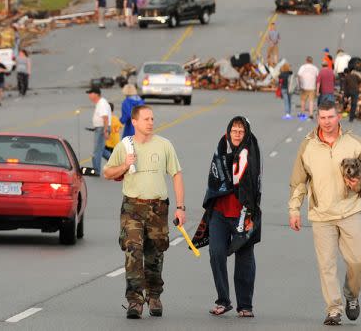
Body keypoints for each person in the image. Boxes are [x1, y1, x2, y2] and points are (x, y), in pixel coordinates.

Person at [288, 101, 361, 326]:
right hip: (321, 215)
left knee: (358, 260)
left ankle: (351, 295)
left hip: (350, 211)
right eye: (323, 118)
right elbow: (299, 181)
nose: (327, 122)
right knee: (326, 265)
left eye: (331, 117)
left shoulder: (354, 142)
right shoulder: (308, 145)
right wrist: (294, 209)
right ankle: (334, 309)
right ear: (317, 118)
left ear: (338, 116)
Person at [103, 105, 185, 319]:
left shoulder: (164, 145)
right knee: (133, 251)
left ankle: (154, 295)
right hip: (133, 207)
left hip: (158, 207)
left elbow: (176, 175)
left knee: (155, 253)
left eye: (152, 118)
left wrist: (180, 207)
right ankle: (135, 301)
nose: (150, 122)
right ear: (135, 122)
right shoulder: (125, 146)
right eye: (146, 119)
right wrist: (124, 165)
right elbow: (107, 172)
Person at [195, 116, 261, 318]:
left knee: (245, 259)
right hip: (220, 213)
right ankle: (223, 301)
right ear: (228, 132)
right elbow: (214, 179)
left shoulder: (250, 153)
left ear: (246, 133)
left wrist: (250, 214)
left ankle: (245, 305)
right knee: (216, 254)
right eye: (234, 130)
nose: (237, 134)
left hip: (243, 215)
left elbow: (253, 185)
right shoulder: (221, 150)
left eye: (241, 131)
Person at [88, 87, 112, 173]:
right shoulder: (100, 103)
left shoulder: (102, 103)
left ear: (96, 94)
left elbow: (105, 118)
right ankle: (118, 163)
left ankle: (96, 170)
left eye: (90, 93)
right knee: (101, 150)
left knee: (97, 150)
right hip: (100, 128)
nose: (89, 96)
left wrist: (105, 131)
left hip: (102, 128)